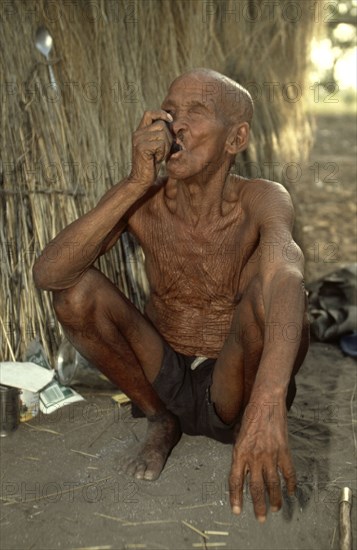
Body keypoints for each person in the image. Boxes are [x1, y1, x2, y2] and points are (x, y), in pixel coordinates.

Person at [33, 68, 309, 522]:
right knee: (74, 293)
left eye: (195, 113)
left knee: (274, 294)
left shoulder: (262, 199)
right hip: (164, 376)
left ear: (235, 138)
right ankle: (160, 421)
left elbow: (288, 280)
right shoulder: (143, 199)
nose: (174, 124)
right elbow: (50, 274)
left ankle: (252, 423)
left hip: (233, 382)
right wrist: (135, 183)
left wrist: (269, 399)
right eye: (170, 111)